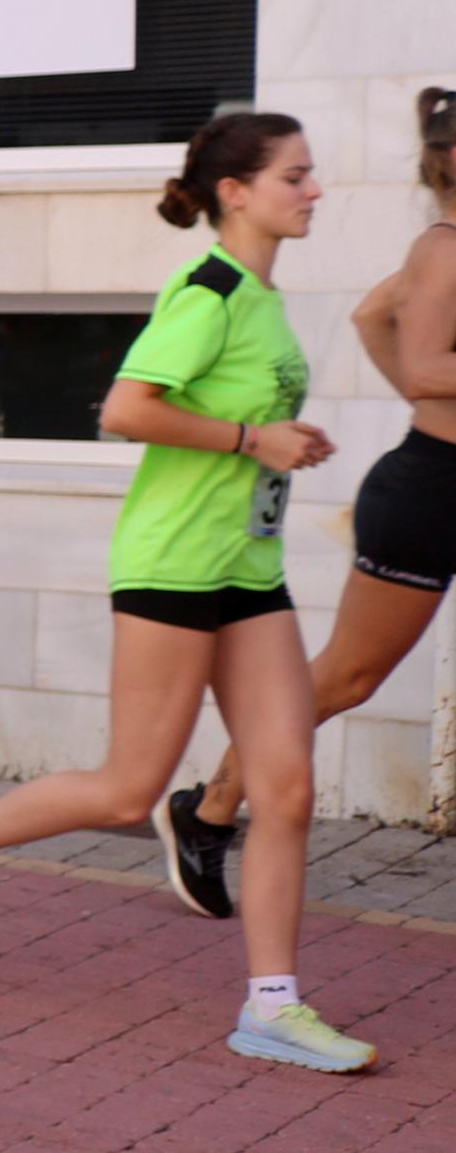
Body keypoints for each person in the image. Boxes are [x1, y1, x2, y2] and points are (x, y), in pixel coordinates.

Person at [0, 111, 371, 1072]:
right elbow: (124, 409)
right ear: (235, 192)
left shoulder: (265, 298)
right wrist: (250, 440)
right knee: (126, 788)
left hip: (246, 569)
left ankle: (270, 1005)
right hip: (169, 566)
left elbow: (230, 413)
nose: (313, 190)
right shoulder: (208, 291)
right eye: (295, 175)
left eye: (311, 174)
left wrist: (281, 442)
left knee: (284, 785)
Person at [159, 87, 456, 924]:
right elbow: (426, 360)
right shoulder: (443, 248)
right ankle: (208, 810)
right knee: (344, 678)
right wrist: (429, 409)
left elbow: (373, 314)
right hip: (431, 490)